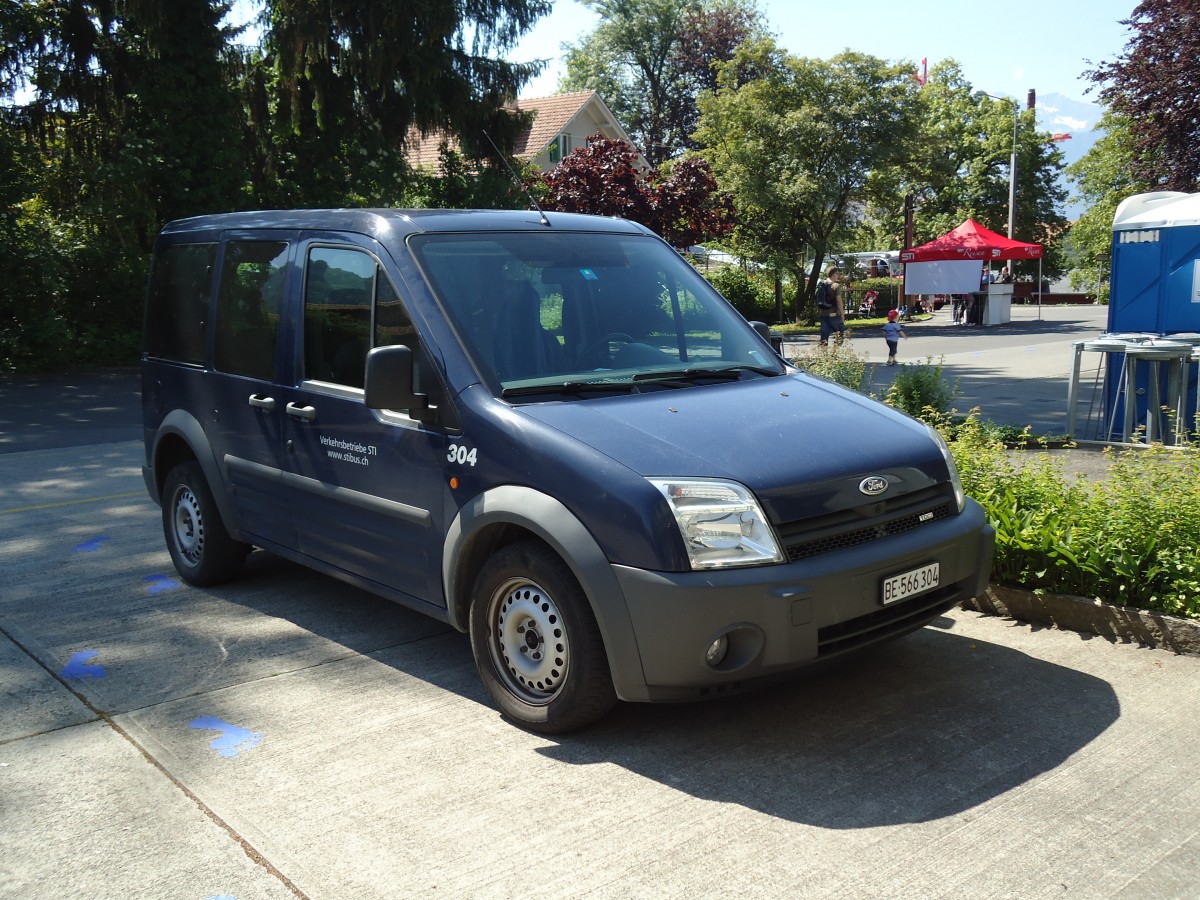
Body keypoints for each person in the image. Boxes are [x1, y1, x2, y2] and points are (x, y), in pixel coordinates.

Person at [818, 265, 845, 346]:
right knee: (839, 332)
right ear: (833, 274)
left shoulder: (821, 284)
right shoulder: (835, 286)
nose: (838, 276)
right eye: (837, 274)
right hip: (834, 314)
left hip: (823, 313)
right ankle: (835, 352)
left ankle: (823, 355)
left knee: (824, 336)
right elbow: (839, 301)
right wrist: (842, 314)